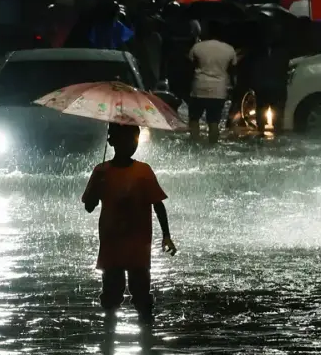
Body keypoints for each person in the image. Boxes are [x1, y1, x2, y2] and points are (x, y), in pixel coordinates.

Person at [81, 124, 178, 325]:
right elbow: (89, 206)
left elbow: (158, 205)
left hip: (137, 246)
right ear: (112, 141)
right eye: (126, 140)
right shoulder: (101, 171)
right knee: (111, 297)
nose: (131, 145)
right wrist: (96, 187)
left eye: (134, 140)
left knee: (142, 295)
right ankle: (113, 337)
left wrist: (166, 235)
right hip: (113, 245)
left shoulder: (143, 171)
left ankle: (141, 336)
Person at [187, 21, 238, 143]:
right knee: (214, 121)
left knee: (194, 119)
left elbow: (190, 67)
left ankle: (194, 144)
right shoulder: (229, 49)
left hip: (199, 87)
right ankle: (212, 147)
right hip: (218, 90)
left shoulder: (197, 47)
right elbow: (233, 71)